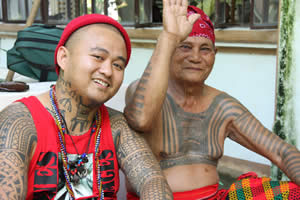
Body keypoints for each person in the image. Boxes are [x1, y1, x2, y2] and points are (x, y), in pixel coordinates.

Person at [124, 0, 300, 199]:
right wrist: (169, 37)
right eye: (185, 47)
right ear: (170, 50)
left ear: (214, 55)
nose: (196, 57)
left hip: (214, 196)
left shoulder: (224, 107)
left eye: (205, 49)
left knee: (292, 193)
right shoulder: (142, 91)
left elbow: (282, 152)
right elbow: (140, 119)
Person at [0, 14, 173, 200]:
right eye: (98, 57)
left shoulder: (116, 126)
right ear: (63, 58)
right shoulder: (19, 122)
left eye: (118, 65)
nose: (107, 71)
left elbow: (152, 180)